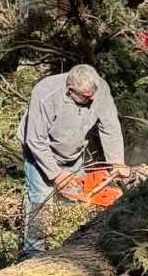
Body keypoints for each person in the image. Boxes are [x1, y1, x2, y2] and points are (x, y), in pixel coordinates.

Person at [17, 63, 130, 258]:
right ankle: (33, 253)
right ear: (70, 90)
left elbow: (109, 125)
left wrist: (117, 161)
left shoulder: (99, 89)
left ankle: (70, 245)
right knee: (40, 200)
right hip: (39, 152)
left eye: (94, 94)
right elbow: (35, 140)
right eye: (86, 97)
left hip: (73, 151)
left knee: (78, 197)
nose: (92, 99)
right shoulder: (45, 93)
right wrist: (56, 174)